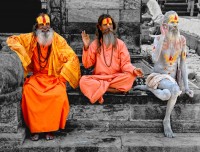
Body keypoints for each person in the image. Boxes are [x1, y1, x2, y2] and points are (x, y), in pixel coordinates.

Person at [6, 13, 81, 141]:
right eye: (42, 25)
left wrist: (63, 77)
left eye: (47, 25)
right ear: (36, 27)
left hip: (53, 78)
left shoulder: (58, 40)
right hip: (36, 78)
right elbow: (11, 40)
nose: (45, 28)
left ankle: (49, 129)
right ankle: (35, 130)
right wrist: (23, 53)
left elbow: (72, 57)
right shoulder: (30, 39)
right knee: (28, 92)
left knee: (59, 93)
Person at [134, 11, 194, 138]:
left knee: (167, 94)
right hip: (157, 77)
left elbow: (183, 64)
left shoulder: (182, 40)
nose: (176, 25)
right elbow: (155, 59)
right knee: (175, 90)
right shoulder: (158, 39)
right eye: (173, 22)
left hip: (171, 80)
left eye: (177, 22)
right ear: (165, 25)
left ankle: (149, 88)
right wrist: (162, 37)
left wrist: (187, 87)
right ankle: (166, 120)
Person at [79, 14, 143, 104]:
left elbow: (125, 64)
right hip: (99, 78)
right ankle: (112, 90)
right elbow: (87, 64)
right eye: (105, 25)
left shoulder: (120, 44)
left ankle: (101, 89)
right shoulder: (95, 44)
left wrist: (134, 69)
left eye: (110, 24)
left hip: (116, 78)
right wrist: (86, 46)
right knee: (83, 81)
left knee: (130, 76)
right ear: (100, 27)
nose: (108, 27)